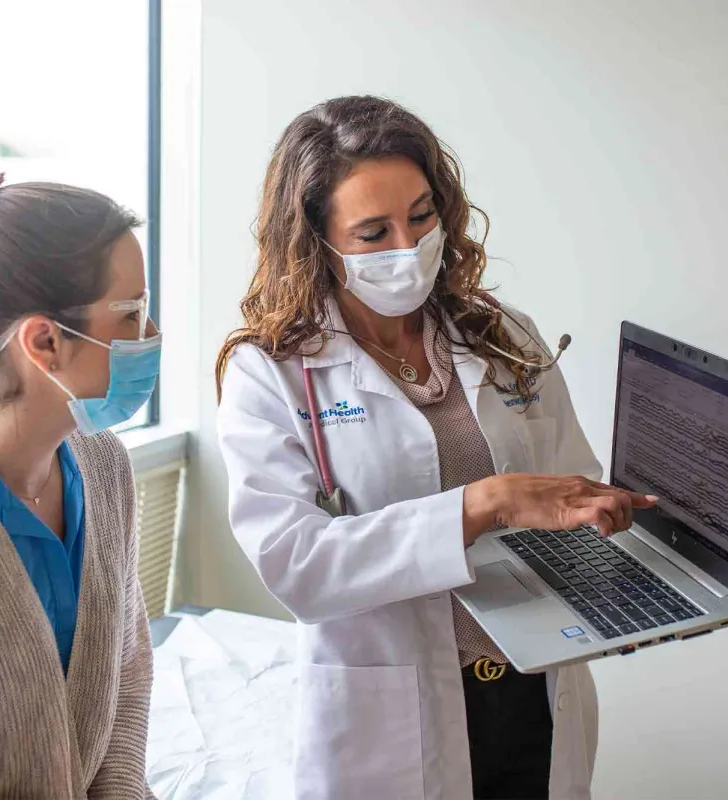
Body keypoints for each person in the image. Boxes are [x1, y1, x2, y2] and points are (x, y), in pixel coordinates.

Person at [216, 96, 655, 800]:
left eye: (421, 216)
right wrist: (484, 503)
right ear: (317, 241)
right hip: (390, 715)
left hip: (535, 692)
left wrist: (616, 581)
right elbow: (297, 566)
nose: (407, 246)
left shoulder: (503, 334)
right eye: (372, 232)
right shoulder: (272, 372)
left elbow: (574, 486)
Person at [0, 171, 159, 799]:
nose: (152, 333)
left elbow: (128, 674)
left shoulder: (104, 466)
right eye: (133, 313)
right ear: (45, 341)